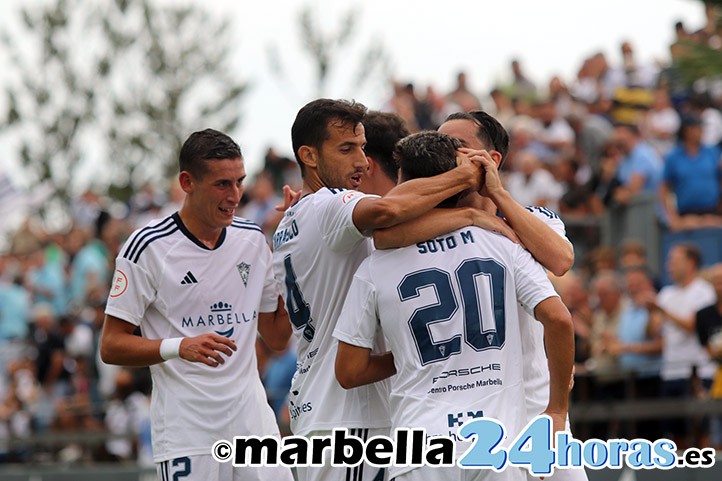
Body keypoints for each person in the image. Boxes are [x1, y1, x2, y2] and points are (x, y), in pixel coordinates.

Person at [334, 131, 575, 481]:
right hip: (496, 446)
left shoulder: (376, 263)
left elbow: (349, 372)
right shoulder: (505, 244)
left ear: (406, 183)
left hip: (419, 451)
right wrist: (557, 410)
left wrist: (407, 354)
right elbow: (559, 319)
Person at [271, 98, 484, 481]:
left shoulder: (295, 217)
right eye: (346, 149)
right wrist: (467, 184)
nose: (362, 162)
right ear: (309, 156)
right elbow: (387, 214)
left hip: (322, 409)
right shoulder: (327, 206)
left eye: (363, 148)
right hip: (353, 418)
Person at [100, 129, 293, 481]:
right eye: (222, 184)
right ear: (187, 182)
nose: (235, 195)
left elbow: (277, 338)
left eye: (239, 182)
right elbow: (111, 345)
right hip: (188, 433)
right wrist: (179, 347)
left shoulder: (252, 239)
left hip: (253, 426)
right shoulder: (147, 246)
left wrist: (297, 250)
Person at [651, 243, 716, 448]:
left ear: (691, 263)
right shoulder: (667, 293)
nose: (669, 266)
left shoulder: (703, 292)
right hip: (670, 371)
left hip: (696, 371)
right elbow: (655, 330)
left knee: (700, 428)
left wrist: (661, 310)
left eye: (674, 261)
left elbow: (693, 325)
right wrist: (652, 313)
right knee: (674, 431)